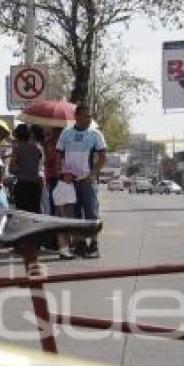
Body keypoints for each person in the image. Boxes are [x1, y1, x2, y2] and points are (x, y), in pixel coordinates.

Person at [57, 103, 107, 258]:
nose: (89, 118)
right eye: (86, 115)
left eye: (90, 116)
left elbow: (103, 158)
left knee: (91, 213)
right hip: (70, 182)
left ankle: (93, 246)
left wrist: (91, 175)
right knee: (75, 214)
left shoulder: (95, 134)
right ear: (76, 116)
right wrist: (63, 174)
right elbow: (58, 156)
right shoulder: (66, 133)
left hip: (87, 181)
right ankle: (79, 245)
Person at [8, 124, 43, 213]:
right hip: (36, 184)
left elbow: (12, 169)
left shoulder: (17, 148)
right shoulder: (37, 148)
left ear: (17, 135)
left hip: (22, 184)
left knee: (23, 214)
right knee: (34, 213)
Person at [52, 175, 77, 260]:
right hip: (63, 209)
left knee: (66, 231)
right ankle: (63, 250)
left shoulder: (70, 184)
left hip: (69, 208)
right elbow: (59, 202)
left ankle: (66, 249)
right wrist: (63, 214)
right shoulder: (61, 186)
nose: (71, 177)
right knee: (62, 231)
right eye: (69, 175)